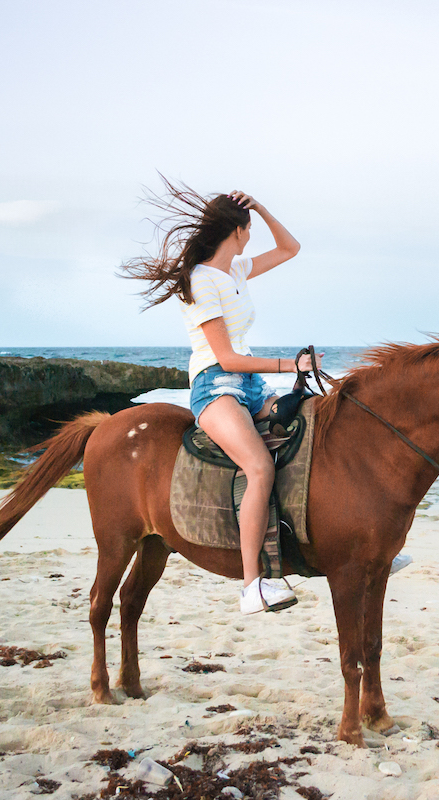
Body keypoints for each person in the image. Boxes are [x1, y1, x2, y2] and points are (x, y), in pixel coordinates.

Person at [121, 180, 313, 614]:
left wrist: (261, 206)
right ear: (240, 231)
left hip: (251, 387)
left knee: (312, 423)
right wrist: (290, 366)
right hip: (215, 385)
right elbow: (225, 358)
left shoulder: (237, 270)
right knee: (259, 465)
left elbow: (290, 248)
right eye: (251, 226)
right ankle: (251, 586)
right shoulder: (200, 281)